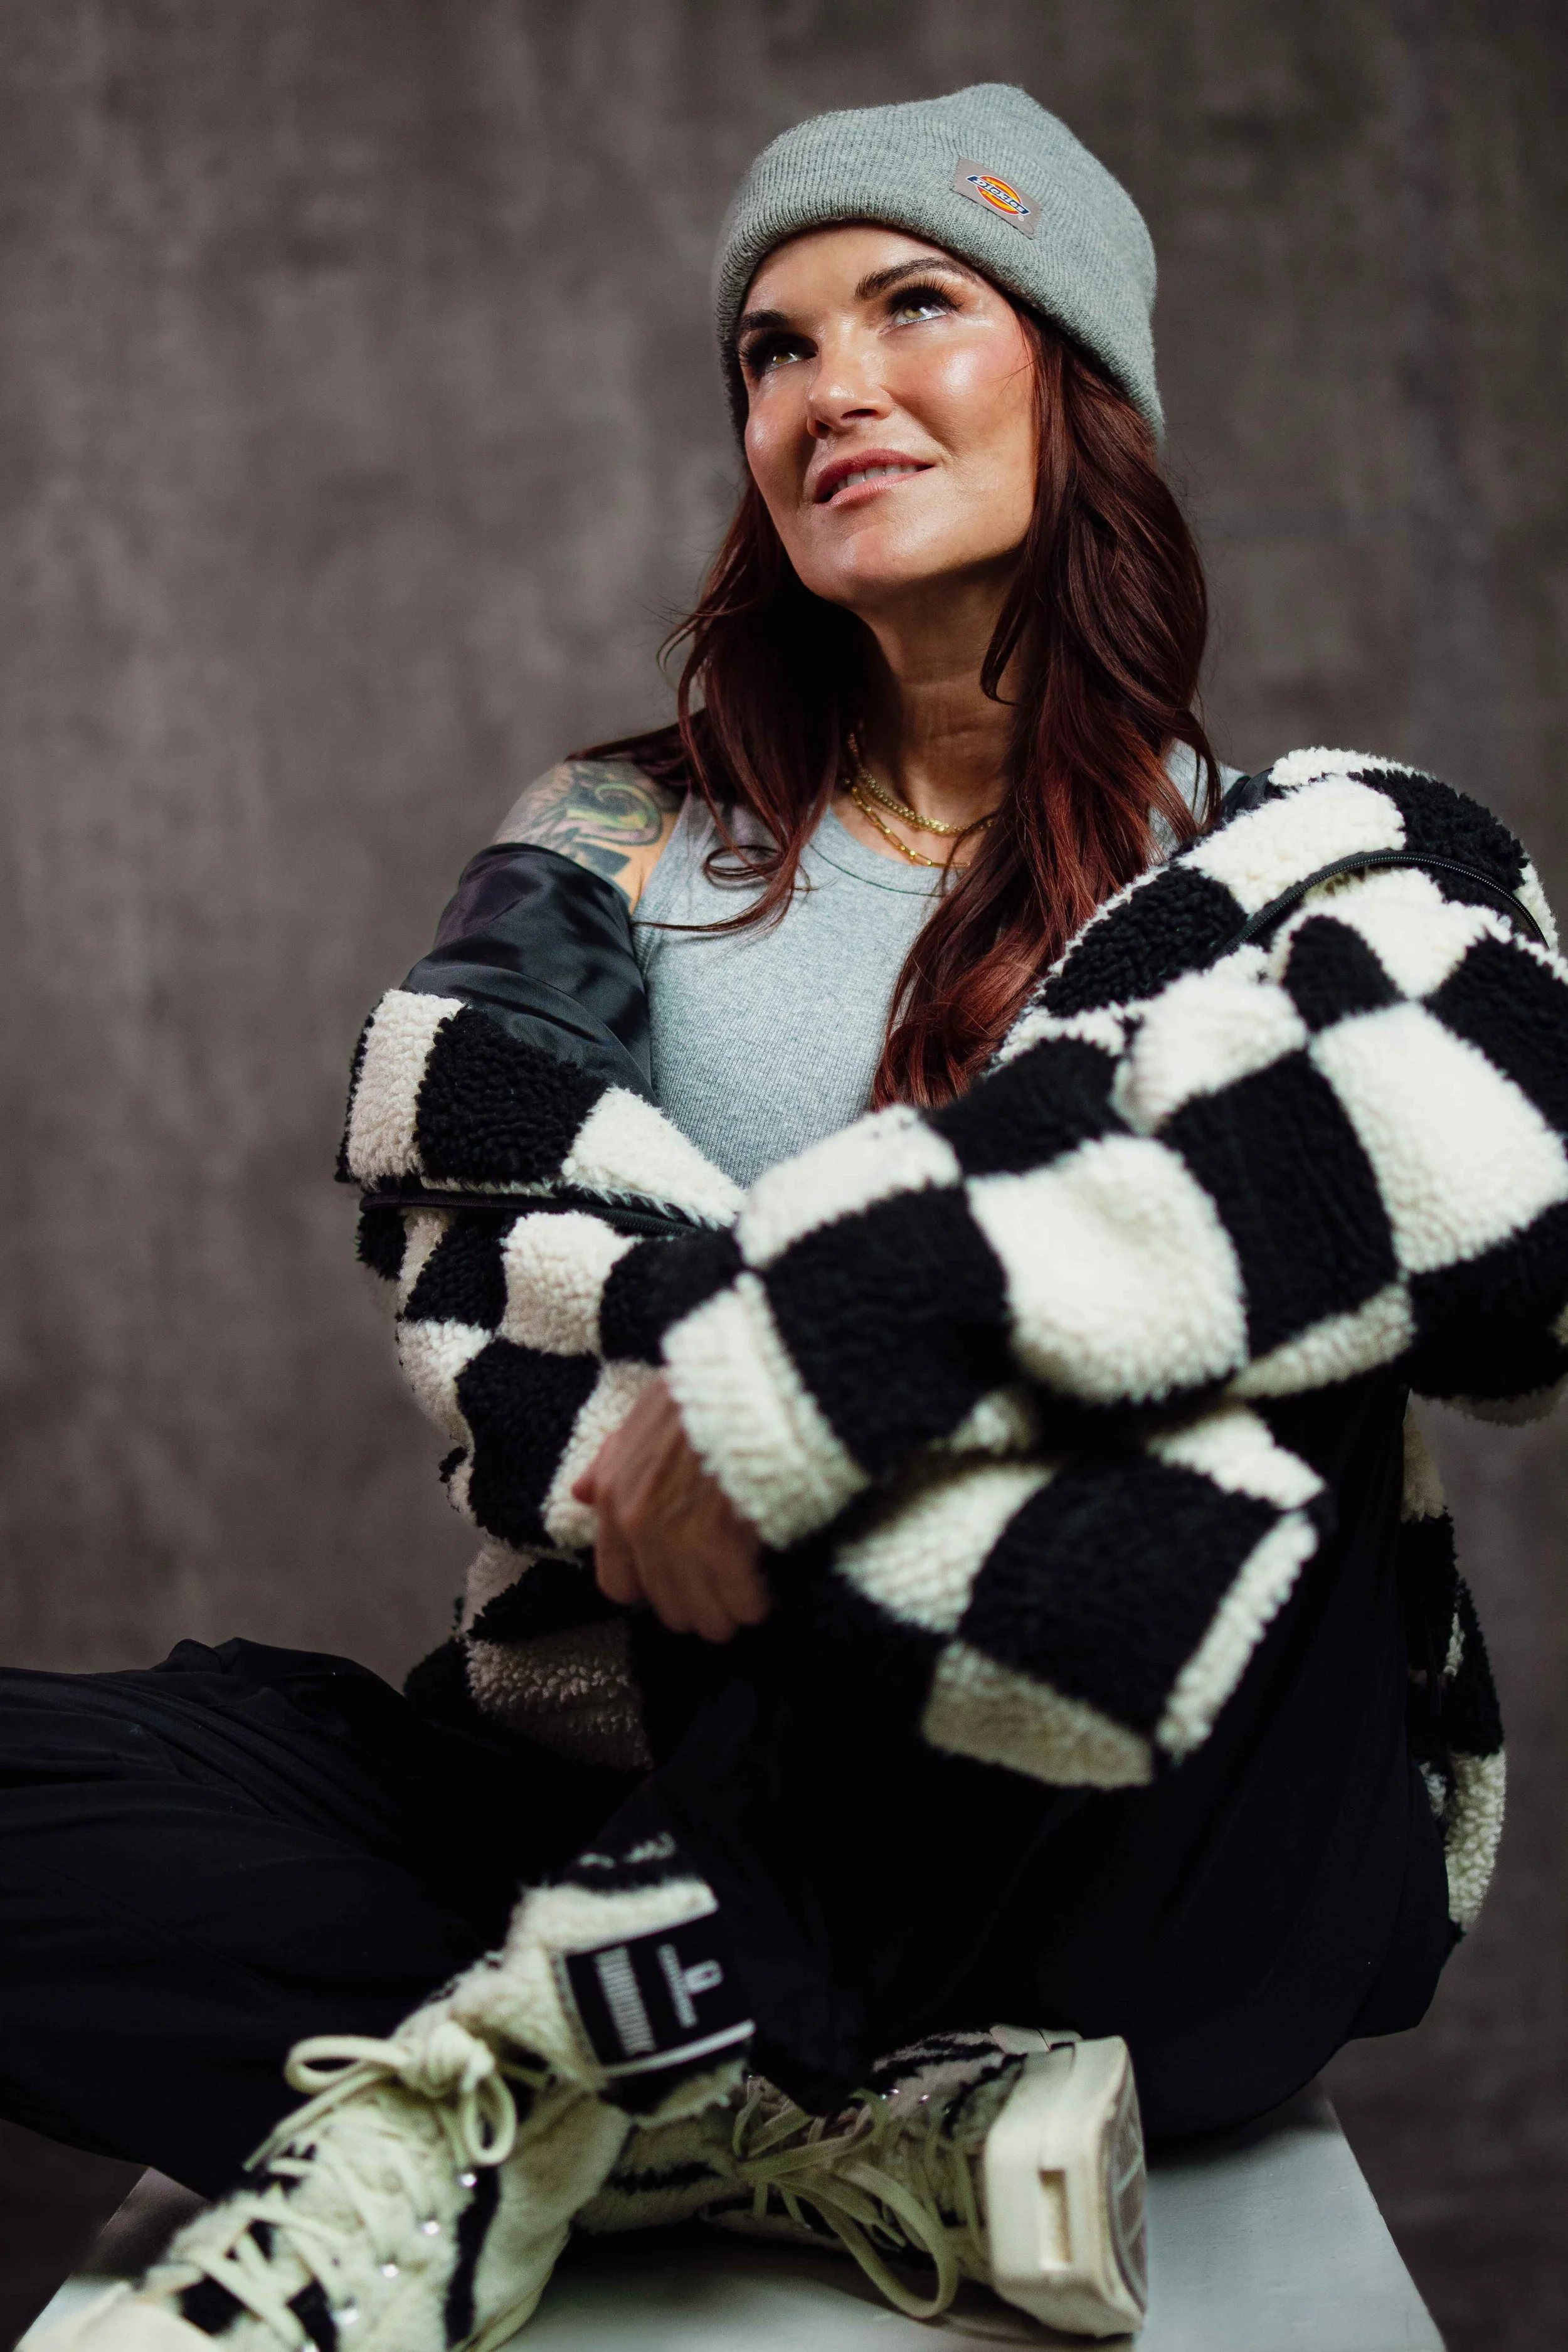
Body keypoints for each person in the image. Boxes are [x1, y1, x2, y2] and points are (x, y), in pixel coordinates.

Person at [15, 81, 1565, 2352]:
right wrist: (872, 1362)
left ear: (1081, 377)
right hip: (642, 1755)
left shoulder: (1312, 862)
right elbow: (504, 1317)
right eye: (771, 344)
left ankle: (567, 2064)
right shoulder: (606, 850)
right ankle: (796, 2117)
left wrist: (822, 1349)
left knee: (1247, 1331)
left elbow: (1501, 1210)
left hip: (1125, 1845)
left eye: (914, 305)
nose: (830, 384)